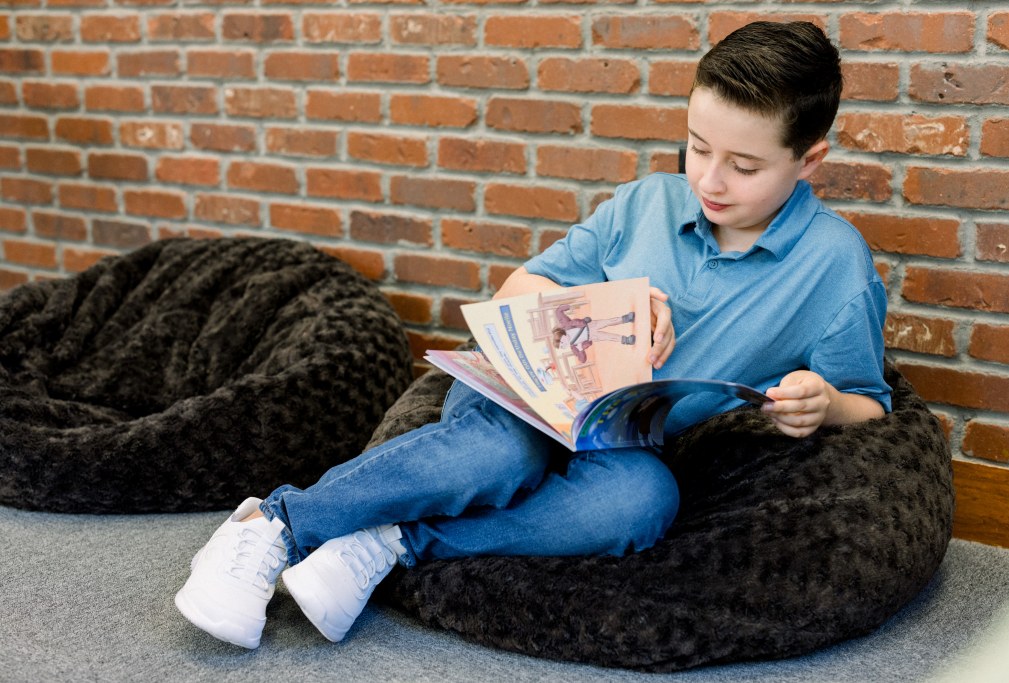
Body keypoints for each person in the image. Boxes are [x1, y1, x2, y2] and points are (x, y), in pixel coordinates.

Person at [175, 20, 891, 650]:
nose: (710, 178)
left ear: (810, 161)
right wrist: (612, 304)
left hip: (626, 441)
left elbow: (870, 402)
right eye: (697, 148)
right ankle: (273, 524)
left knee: (643, 504)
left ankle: (389, 540)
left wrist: (821, 401)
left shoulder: (834, 267)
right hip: (524, 400)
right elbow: (520, 288)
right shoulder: (646, 203)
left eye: (744, 165)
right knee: (502, 456)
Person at [552, 305, 636, 362]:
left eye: (562, 342)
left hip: (590, 325)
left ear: (562, 334)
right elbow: (582, 360)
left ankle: (626, 318)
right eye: (562, 346)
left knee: (607, 322)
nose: (564, 344)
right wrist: (581, 349)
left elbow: (559, 312)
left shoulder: (567, 326)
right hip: (592, 336)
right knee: (608, 337)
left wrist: (569, 307)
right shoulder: (574, 347)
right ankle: (626, 340)